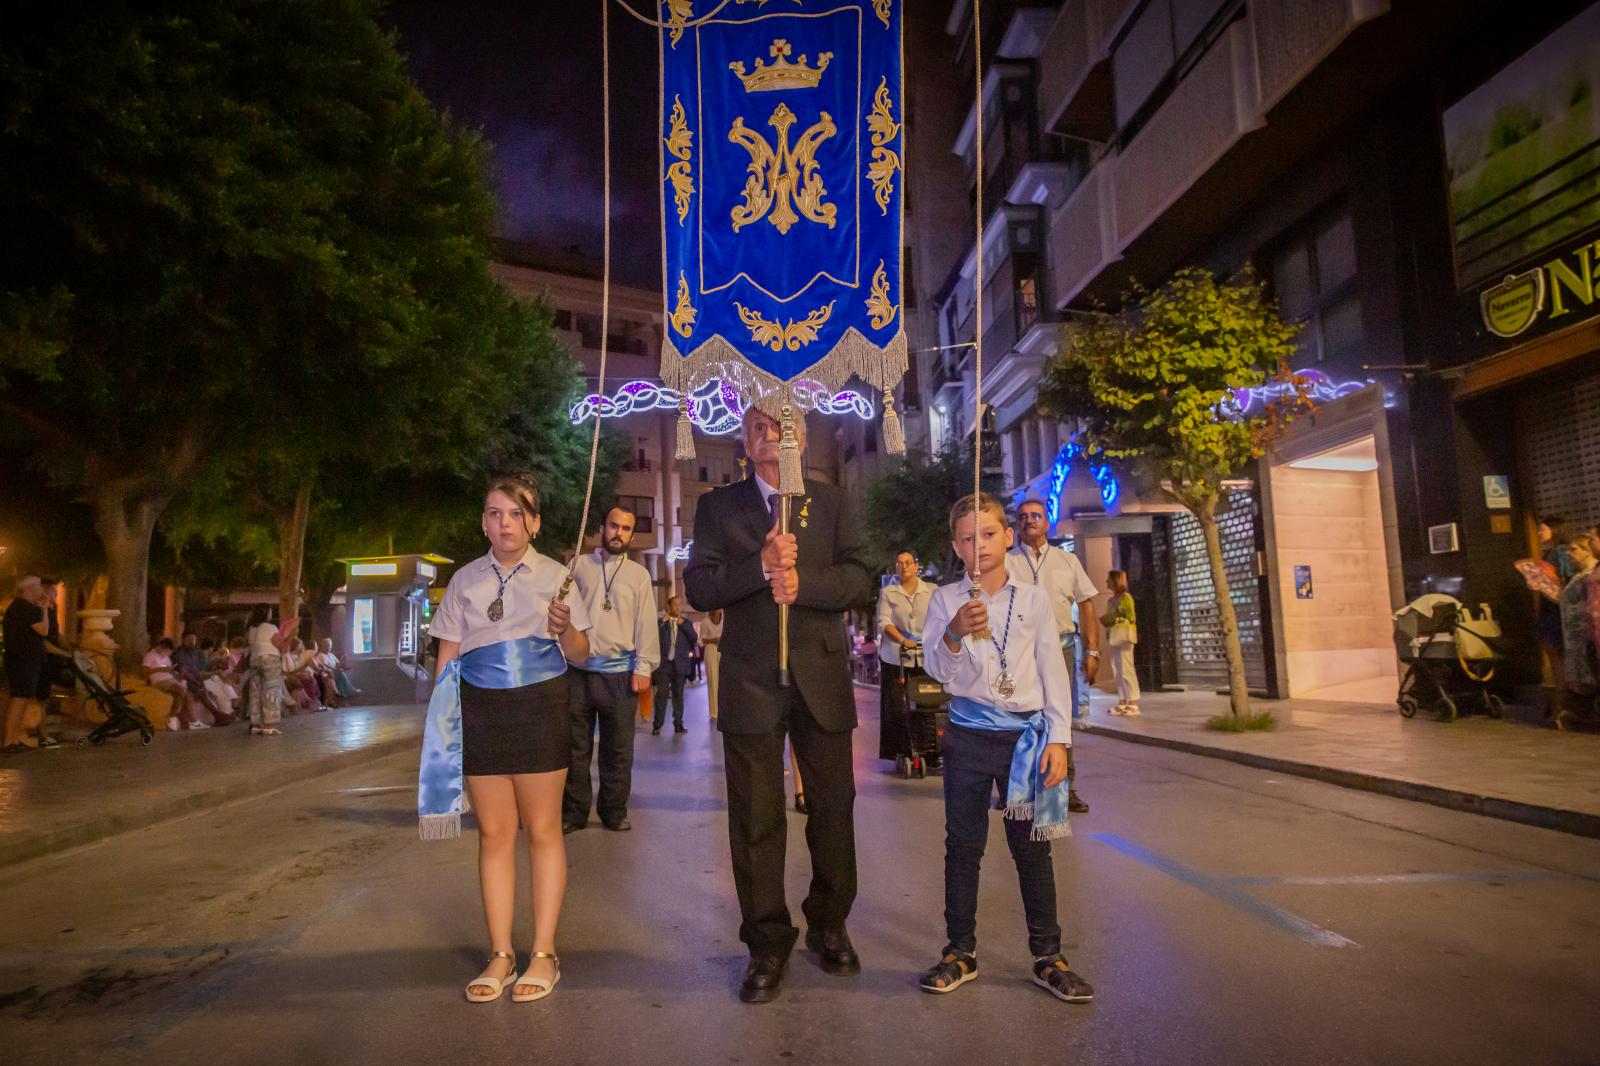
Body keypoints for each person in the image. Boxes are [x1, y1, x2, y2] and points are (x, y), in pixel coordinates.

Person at [683, 405, 872, 1004]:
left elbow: (862, 577)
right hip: (750, 681)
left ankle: (829, 922)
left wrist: (805, 587)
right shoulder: (719, 508)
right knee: (756, 819)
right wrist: (759, 567)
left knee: (834, 810)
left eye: (785, 426)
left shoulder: (833, 502)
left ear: (804, 437)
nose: (773, 436)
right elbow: (700, 587)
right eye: (760, 427)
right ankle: (766, 943)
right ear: (745, 439)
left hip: (820, 681)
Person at [421, 471, 590, 1004]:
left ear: (534, 523)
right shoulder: (464, 581)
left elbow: (583, 654)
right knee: (494, 833)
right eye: (495, 513)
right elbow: (446, 659)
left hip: (541, 705)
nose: (505, 523)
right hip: (482, 711)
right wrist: (441, 729)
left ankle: (543, 953)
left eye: (516, 513)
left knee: (542, 829)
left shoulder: (558, 577)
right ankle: (500, 953)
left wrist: (565, 628)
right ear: (484, 523)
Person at [920, 493, 1093, 1004]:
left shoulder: (1035, 601)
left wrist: (1059, 739)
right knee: (963, 846)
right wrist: (953, 634)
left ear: (1009, 536)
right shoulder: (946, 600)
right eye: (969, 539)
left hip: (1026, 740)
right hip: (968, 737)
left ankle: (1048, 955)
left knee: (1032, 849)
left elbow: (1052, 672)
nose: (980, 546)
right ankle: (960, 951)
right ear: (956, 547)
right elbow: (938, 671)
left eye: (989, 534)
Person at [563, 504, 660, 834]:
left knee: (618, 749)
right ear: (602, 528)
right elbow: (562, 613)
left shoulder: (639, 575)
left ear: (632, 535)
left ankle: (613, 810)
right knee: (575, 748)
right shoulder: (578, 565)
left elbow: (646, 623)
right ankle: (574, 812)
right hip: (577, 671)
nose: (619, 533)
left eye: (626, 528)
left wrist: (644, 668)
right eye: (614, 526)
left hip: (620, 674)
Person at [1007, 499, 1097, 813]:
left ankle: (1066, 788)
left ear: (1047, 523)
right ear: (1016, 526)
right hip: (1020, 652)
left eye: (1035, 516)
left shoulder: (1067, 561)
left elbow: (1086, 604)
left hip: (1061, 647)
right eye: (1022, 517)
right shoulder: (1006, 563)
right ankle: (1018, 788)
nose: (1028, 520)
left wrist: (1093, 651)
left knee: (1060, 717)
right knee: (1019, 718)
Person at [876, 548, 934, 762]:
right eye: (899, 563)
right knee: (897, 704)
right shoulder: (889, 592)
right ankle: (900, 749)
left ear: (916, 566)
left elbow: (939, 619)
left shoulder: (931, 591)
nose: (904, 566)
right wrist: (902, 640)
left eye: (908, 562)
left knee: (928, 701)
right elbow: (884, 622)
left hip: (925, 655)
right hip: (896, 655)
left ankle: (929, 749)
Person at [3, 576, 50, 753]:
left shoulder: (22, 607)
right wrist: (44, 609)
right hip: (22, 660)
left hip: (23, 660)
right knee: (19, 698)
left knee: (22, 699)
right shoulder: (24, 608)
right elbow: (43, 630)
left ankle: (13, 739)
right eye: (38, 587)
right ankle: (9, 741)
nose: (42, 591)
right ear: (30, 589)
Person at [1556, 535, 1597, 731]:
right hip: (1574, 635)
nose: (1569, 555)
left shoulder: (1592, 576)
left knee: (1590, 673)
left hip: (1588, 634)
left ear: (1587, 551)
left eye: (1574, 550)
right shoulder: (1577, 576)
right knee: (1580, 675)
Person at [1538, 516, 1576, 708]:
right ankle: (1561, 694)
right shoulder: (1548, 553)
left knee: (1556, 650)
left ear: (1555, 530)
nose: (1539, 533)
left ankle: (1563, 696)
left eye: (1543, 529)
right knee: (1553, 649)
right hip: (1549, 607)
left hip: (1557, 608)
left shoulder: (1560, 553)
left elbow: (1565, 580)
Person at [652, 595, 697, 735]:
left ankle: (678, 724)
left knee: (678, 696)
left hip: (680, 665)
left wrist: (681, 624)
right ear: (669, 607)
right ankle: (657, 724)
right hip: (664, 666)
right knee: (662, 694)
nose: (678, 607)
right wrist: (661, 623)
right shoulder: (660, 623)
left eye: (680, 605)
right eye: (675, 605)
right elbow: (652, 638)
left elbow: (694, 638)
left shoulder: (687, 623)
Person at [244, 606, 292, 736]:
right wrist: (288, 637)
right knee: (271, 691)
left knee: (255, 692)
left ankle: (255, 724)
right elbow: (280, 644)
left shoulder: (251, 629)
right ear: (266, 613)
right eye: (270, 611)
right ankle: (269, 725)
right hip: (269, 660)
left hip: (254, 660)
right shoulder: (270, 627)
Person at [1100, 570, 1140, 715]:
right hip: (1114, 636)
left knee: (1127, 668)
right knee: (1117, 670)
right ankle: (1122, 701)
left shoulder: (1126, 597)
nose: (1106, 582)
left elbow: (1130, 616)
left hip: (1124, 636)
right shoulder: (1110, 600)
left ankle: (1133, 702)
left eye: (1109, 579)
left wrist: (1113, 616)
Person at [145, 637, 204, 731]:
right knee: (180, 690)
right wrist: (161, 669)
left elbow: (171, 672)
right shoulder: (150, 655)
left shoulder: (167, 657)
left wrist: (180, 675)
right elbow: (144, 671)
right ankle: (172, 717)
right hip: (159, 680)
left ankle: (194, 721)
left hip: (170, 679)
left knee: (188, 693)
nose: (169, 653)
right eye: (168, 650)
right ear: (162, 647)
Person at [700, 608, 724, 719]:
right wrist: (714, 640)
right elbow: (702, 640)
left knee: (724, 680)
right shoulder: (705, 622)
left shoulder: (725, 620)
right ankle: (714, 711)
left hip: (723, 650)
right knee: (712, 680)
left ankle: (724, 709)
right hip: (710, 650)